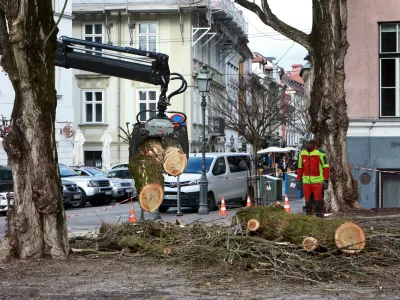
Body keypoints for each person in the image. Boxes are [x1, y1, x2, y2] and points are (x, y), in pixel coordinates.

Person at [296, 132, 330, 218]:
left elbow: (325, 167)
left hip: (318, 181)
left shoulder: (320, 152)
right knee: (307, 202)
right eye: (305, 142)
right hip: (306, 181)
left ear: (313, 143)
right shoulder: (302, 153)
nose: (307, 145)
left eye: (309, 143)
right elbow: (300, 168)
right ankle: (308, 219)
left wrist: (325, 180)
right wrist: (298, 180)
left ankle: (319, 218)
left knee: (318, 202)